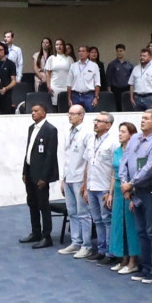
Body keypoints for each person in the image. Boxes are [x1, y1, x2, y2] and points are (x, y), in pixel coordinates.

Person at [122, 111, 152, 282]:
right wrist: (125, 183)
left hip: (149, 191)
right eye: (142, 119)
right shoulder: (135, 138)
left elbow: (151, 167)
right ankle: (145, 266)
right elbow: (125, 161)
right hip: (134, 190)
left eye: (146, 119)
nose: (142, 121)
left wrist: (131, 183)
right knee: (140, 231)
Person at [77, 111, 117, 261]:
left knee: (107, 221)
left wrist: (111, 192)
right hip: (92, 186)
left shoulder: (113, 142)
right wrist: (85, 184)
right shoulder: (90, 140)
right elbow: (88, 163)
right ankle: (101, 250)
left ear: (108, 125)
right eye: (95, 120)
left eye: (99, 121)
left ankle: (110, 252)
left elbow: (115, 169)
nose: (95, 123)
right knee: (97, 220)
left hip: (104, 187)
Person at [20, 101, 58, 248]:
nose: (33, 113)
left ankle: (46, 236)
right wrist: (25, 170)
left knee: (43, 205)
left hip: (41, 175)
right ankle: (35, 232)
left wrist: (44, 177)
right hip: (30, 172)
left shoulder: (50, 130)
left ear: (44, 113)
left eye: (36, 110)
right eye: (32, 110)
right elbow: (28, 151)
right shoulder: (31, 128)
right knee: (32, 203)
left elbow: (50, 155)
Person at [56, 104, 93, 252]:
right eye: (69, 113)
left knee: (83, 212)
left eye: (73, 114)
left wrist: (85, 182)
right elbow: (67, 157)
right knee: (72, 211)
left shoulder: (87, 132)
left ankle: (86, 244)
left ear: (81, 115)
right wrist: (63, 178)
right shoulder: (68, 131)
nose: (70, 116)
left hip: (80, 178)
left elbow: (88, 159)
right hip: (69, 177)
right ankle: (75, 242)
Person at [106, 121, 139, 273]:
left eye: (123, 132)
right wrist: (110, 192)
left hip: (130, 191)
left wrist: (132, 193)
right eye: (119, 131)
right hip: (118, 191)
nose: (120, 134)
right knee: (119, 225)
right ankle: (123, 258)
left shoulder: (135, 151)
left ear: (131, 135)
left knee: (131, 226)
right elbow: (113, 173)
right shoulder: (118, 150)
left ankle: (133, 261)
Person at [128, 46, 152, 111]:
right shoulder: (135, 69)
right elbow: (131, 84)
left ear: (150, 57)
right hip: (137, 98)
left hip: (150, 97)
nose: (142, 57)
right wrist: (131, 97)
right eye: (141, 56)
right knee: (137, 117)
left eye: (144, 56)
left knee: (151, 116)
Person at [67, 46, 101, 111]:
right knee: (75, 114)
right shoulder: (73, 66)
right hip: (75, 95)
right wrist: (69, 98)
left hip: (89, 95)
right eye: (79, 51)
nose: (81, 53)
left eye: (83, 51)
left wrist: (96, 97)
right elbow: (69, 83)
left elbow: (97, 83)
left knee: (90, 116)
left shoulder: (94, 66)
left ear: (88, 53)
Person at [104, 45, 134, 112]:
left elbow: (132, 78)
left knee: (127, 105)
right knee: (118, 106)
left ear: (124, 51)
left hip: (126, 88)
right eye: (117, 51)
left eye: (121, 51)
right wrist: (109, 87)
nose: (119, 53)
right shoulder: (112, 64)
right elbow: (108, 76)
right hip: (116, 89)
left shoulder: (129, 64)